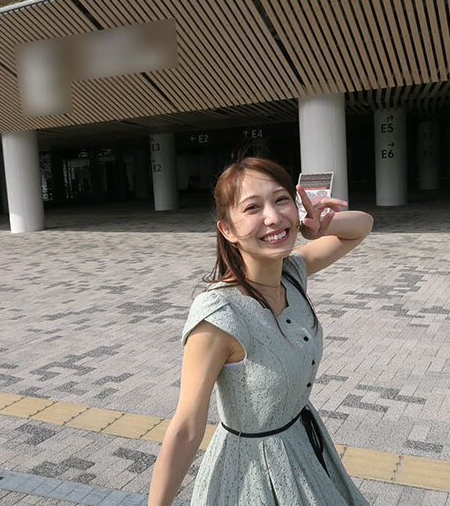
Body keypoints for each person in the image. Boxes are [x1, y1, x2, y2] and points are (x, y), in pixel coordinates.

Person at [148, 156, 374, 505]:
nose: (273, 217)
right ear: (228, 230)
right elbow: (186, 428)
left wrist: (320, 225)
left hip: (304, 445)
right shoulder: (219, 314)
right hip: (251, 472)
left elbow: (362, 226)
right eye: (253, 207)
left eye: (281, 200)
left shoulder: (291, 272)